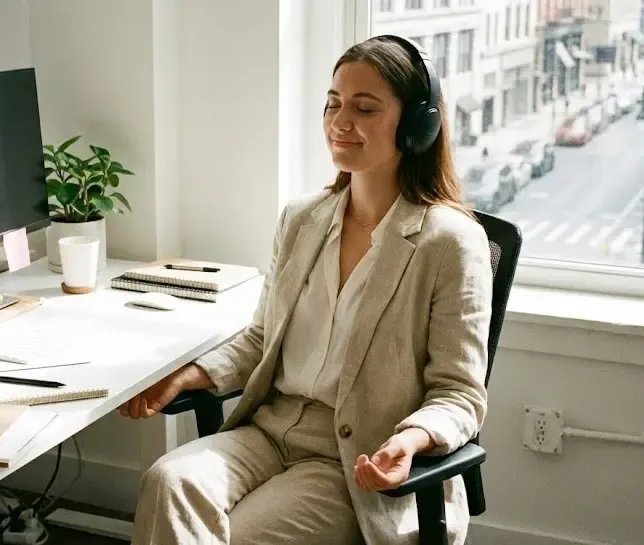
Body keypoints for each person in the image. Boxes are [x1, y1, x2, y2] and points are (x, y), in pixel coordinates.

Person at [119, 34, 492, 545]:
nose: (341, 122)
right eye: (334, 104)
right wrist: (191, 376)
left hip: (353, 458)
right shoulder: (302, 219)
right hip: (269, 429)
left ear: (416, 127)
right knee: (167, 482)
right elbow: (261, 339)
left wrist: (410, 440)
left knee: (240, 536)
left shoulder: (449, 242)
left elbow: (459, 394)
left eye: (364, 108)